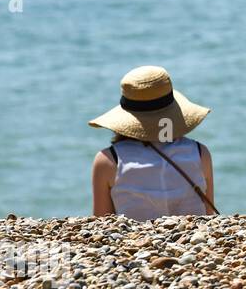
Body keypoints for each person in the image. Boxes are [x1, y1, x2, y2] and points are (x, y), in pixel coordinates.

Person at [89, 65, 216, 220]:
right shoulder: (200, 153)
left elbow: (101, 227)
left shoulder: (109, 161)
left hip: (133, 244)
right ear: (174, 113)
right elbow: (210, 220)